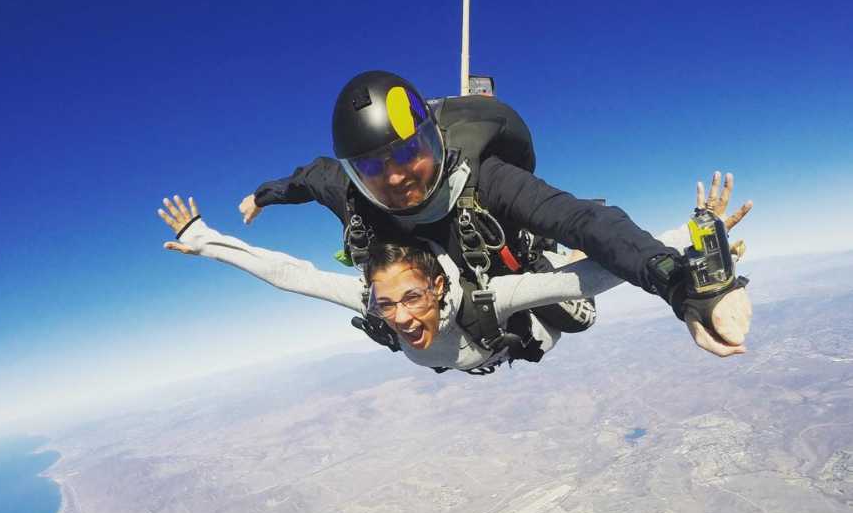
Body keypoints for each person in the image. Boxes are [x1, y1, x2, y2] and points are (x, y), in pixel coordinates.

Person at [236, 70, 753, 354]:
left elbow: (585, 222)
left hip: (506, 266)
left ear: (435, 139)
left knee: (571, 320)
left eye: (404, 154)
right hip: (443, 290)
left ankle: (547, 258)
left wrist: (680, 283)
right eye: (374, 168)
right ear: (356, 175)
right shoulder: (350, 194)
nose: (395, 177)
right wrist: (262, 195)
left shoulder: (487, 180)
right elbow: (308, 176)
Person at [156, 182, 752, 374]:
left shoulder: (486, 296)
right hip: (487, 340)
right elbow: (288, 273)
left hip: (524, 321)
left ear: (439, 288)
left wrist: (694, 240)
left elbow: (590, 280)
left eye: (410, 298)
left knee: (572, 306)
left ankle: (534, 244)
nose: (400, 317)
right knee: (563, 285)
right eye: (387, 305)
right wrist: (202, 239)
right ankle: (537, 249)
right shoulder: (372, 300)